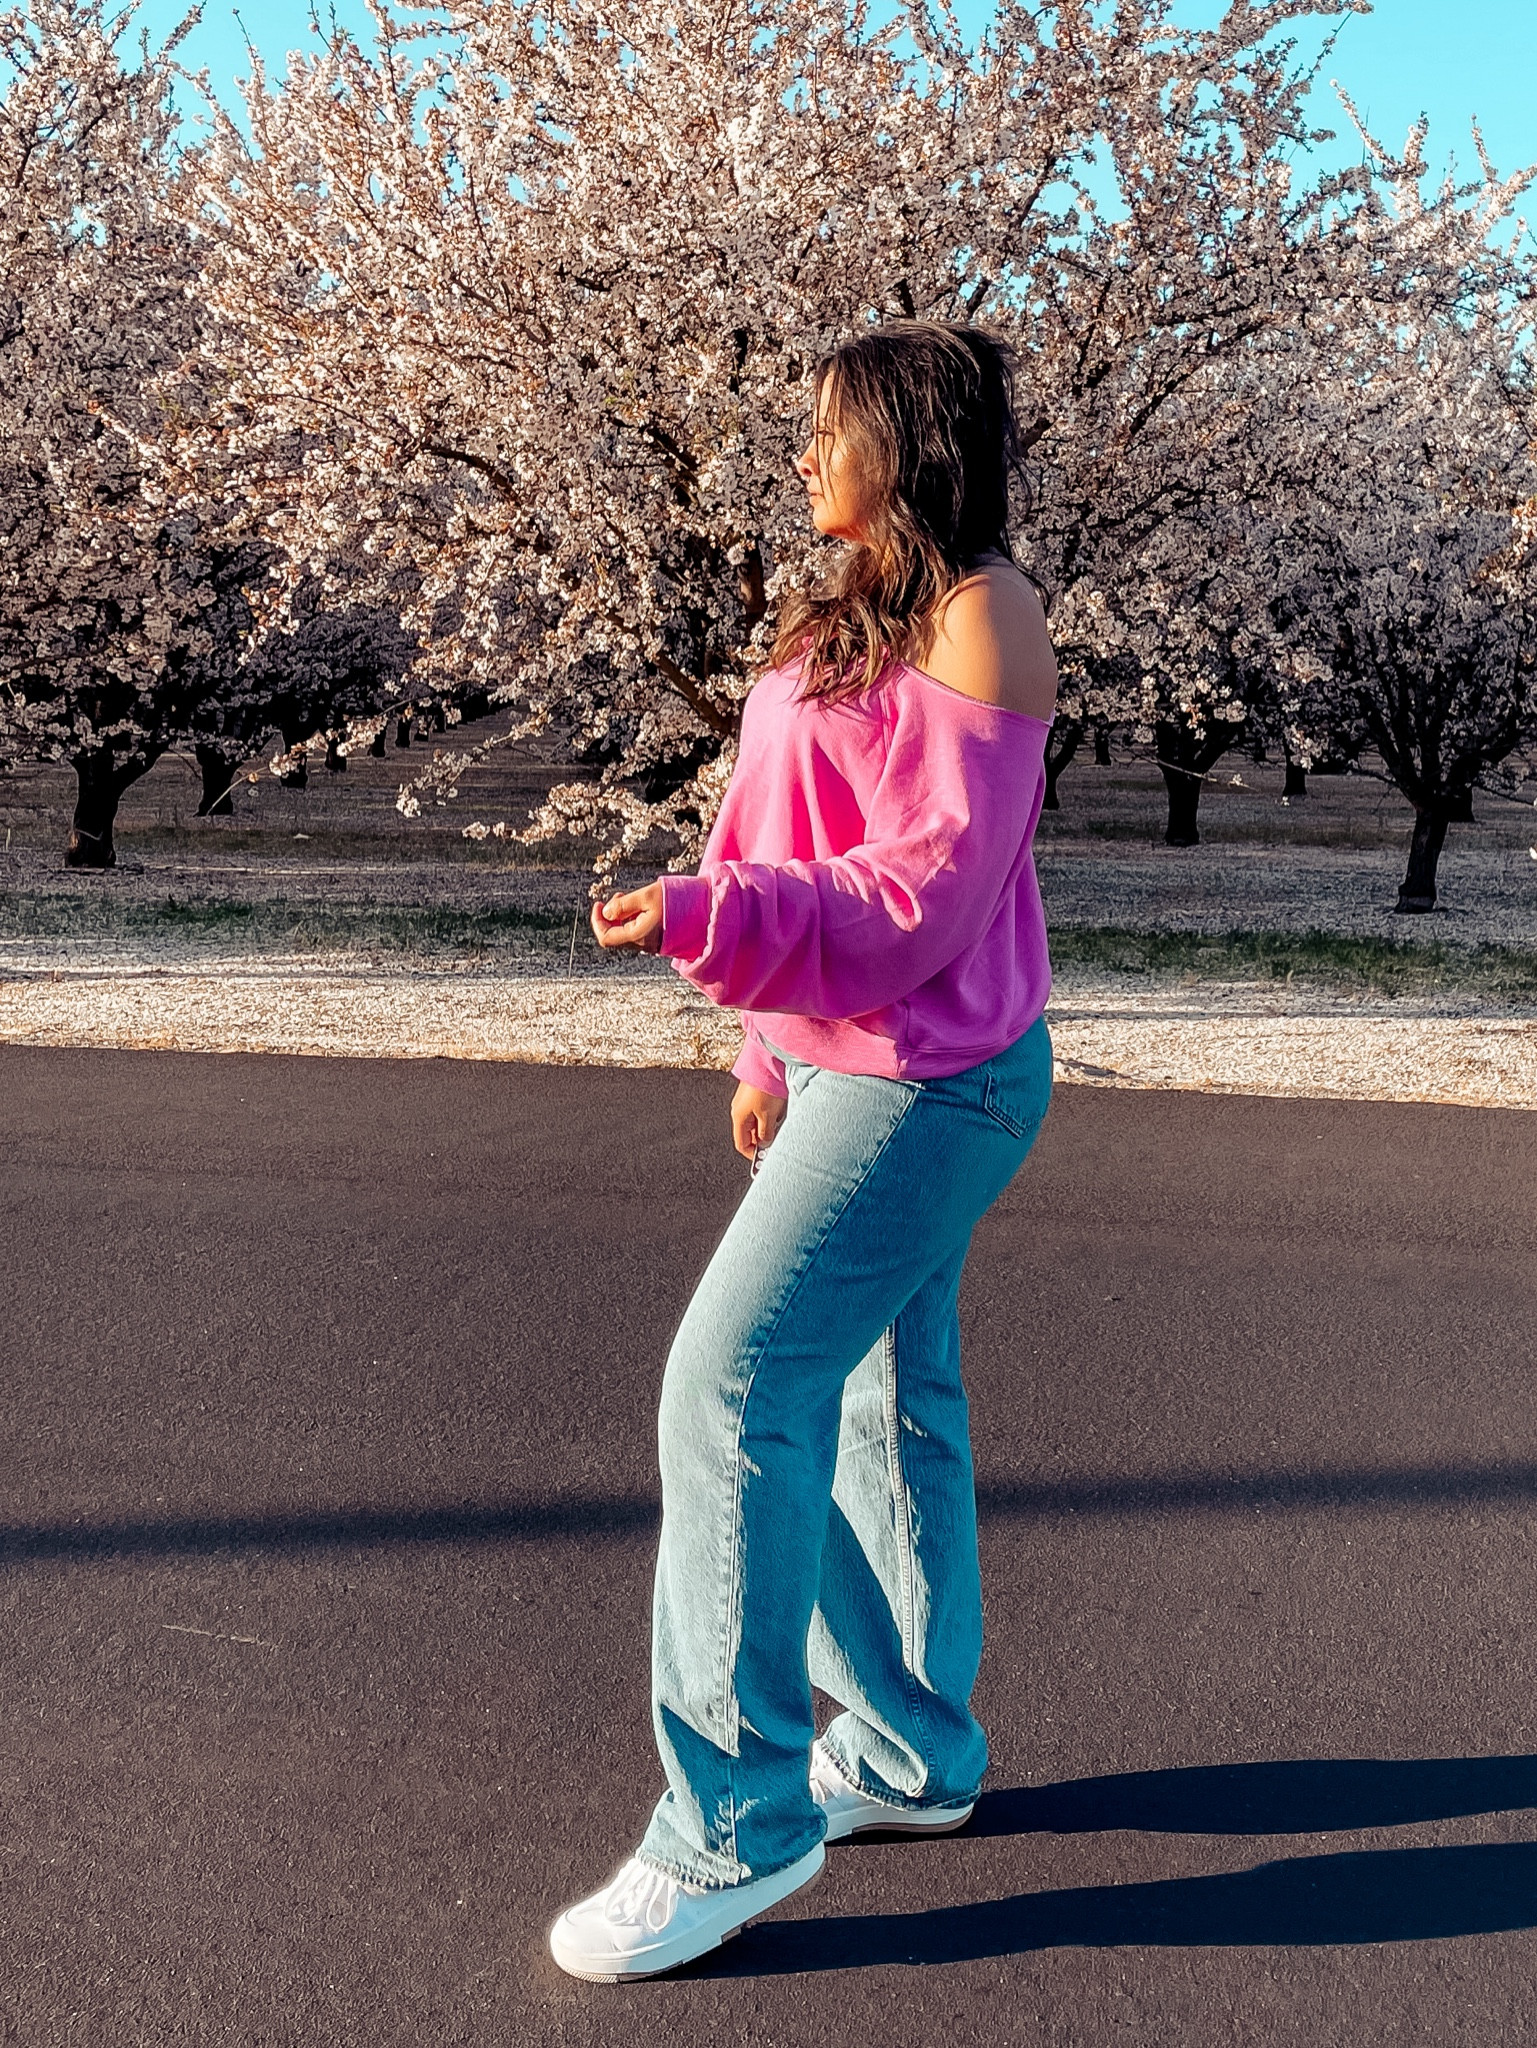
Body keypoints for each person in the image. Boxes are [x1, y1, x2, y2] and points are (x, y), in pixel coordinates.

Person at [549, 320, 1059, 1982]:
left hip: (936, 1078)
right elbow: (776, 830)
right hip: (834, 1063)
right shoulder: (837, 615)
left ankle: (735, 1821)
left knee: (727, 1389)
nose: (798, 460)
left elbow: (919, 896)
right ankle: (911, 1755)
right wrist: (760, 1034)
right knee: (864, 1403)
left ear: (902, 443)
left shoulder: (988, 615)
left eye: (825, 432)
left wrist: (714, 925)